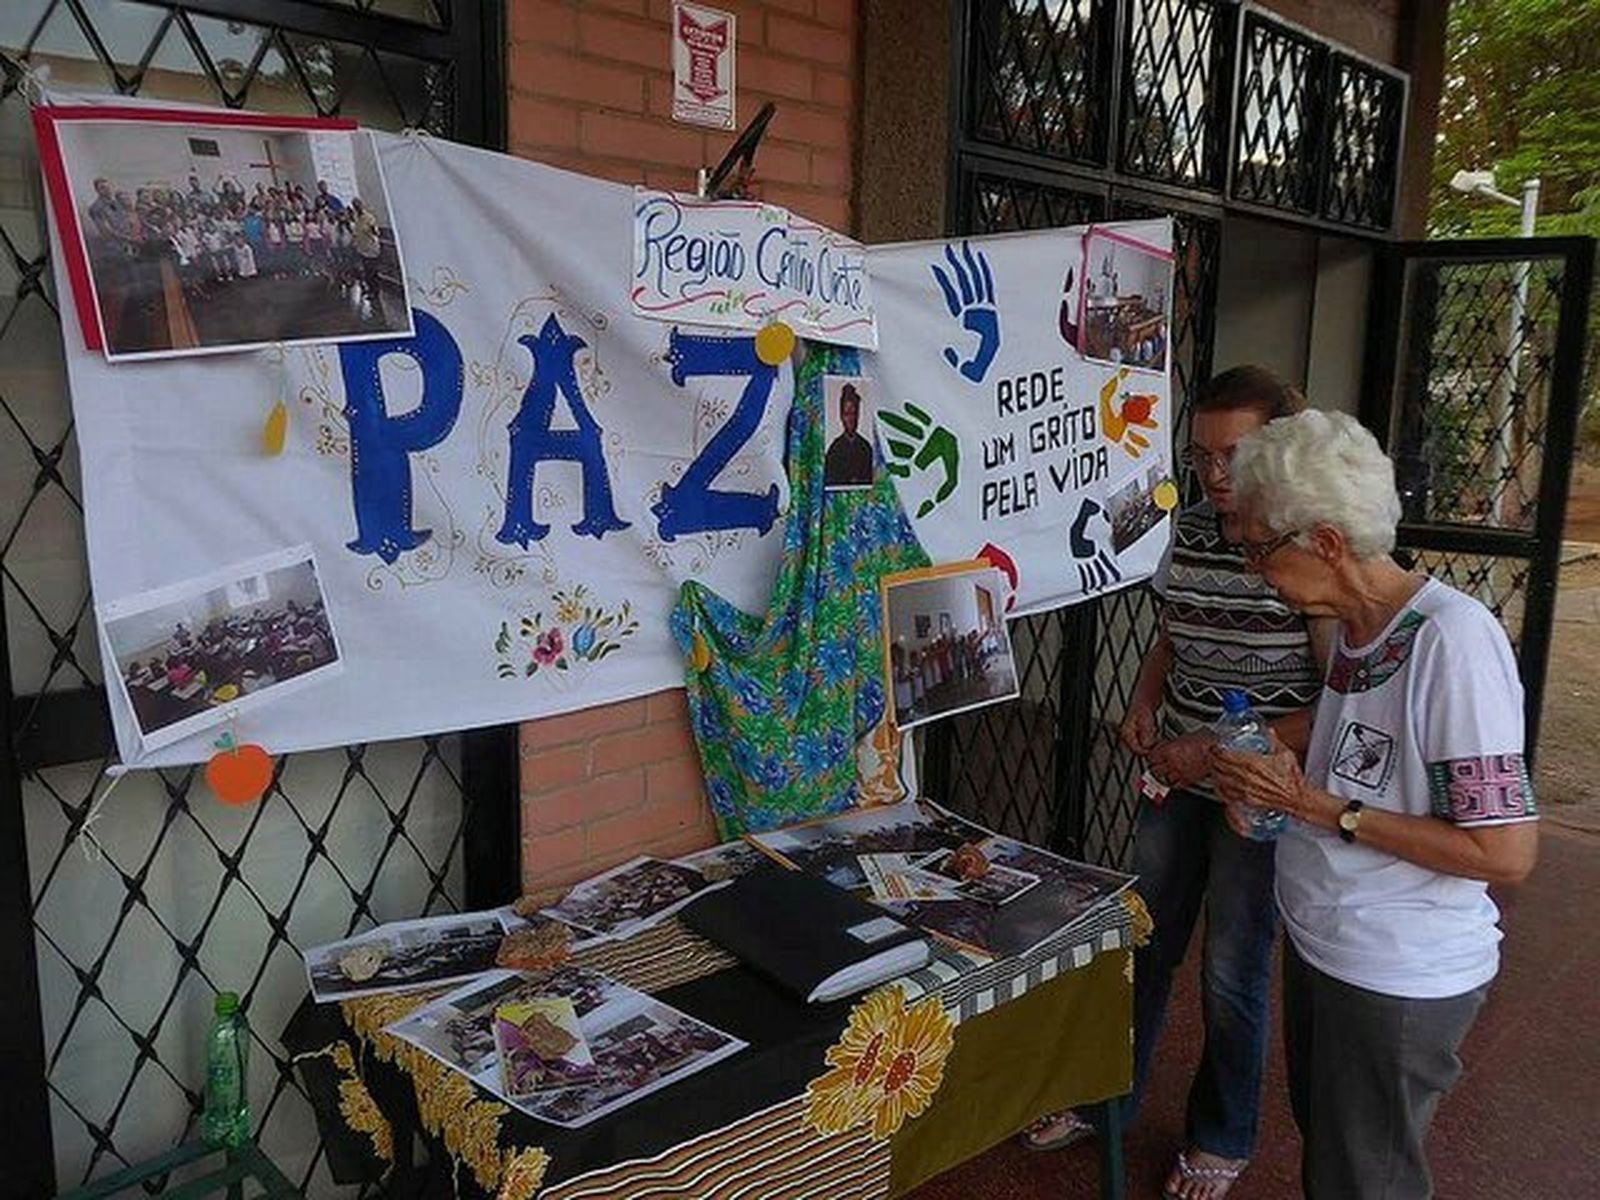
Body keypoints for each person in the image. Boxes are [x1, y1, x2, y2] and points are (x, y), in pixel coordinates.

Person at [1213, 409, 1538, 1199]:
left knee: (1366, 1179)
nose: (1256, 569)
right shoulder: (1359, 630)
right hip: (1334, 942)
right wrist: (1270, 788)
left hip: (1398, 971)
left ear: (1323, 541)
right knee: (1338, 1157)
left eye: (1261, 547)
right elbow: (1363, 757)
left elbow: (1505, 853)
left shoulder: (1453, 642)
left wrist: (1322, 810)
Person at [1023, 366, 1326, 1200]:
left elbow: (1343, 701)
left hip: (1253, 793)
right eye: (1201, 458)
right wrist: (1147, 701)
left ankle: (1222, 1134)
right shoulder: (1186, 530)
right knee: (1141, 940)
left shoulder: (1314, 543)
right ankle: (1104, 1099)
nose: (1217, 476)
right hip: (1177, 774)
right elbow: (1170, 631)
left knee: (1232, 966)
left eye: (1236, 456)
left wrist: (1221, 751)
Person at [824, 383, 874, 487]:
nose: (851, 419)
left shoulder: (866, 447)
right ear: (841, 416)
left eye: (854, 413)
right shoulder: (834, 449)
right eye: (847, 414)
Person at [350, 198, 383, 317]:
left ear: (361, 205)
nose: (356, 207)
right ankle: (371, 290)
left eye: (358, 204)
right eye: (354, 205)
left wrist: (374, 230)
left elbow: (376, 231)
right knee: (367, 271)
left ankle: (376, 291)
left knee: (373, 271)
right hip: (362, 249)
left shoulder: (369, 217)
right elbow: (356, 233)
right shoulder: (356, 218)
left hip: (371, 249)